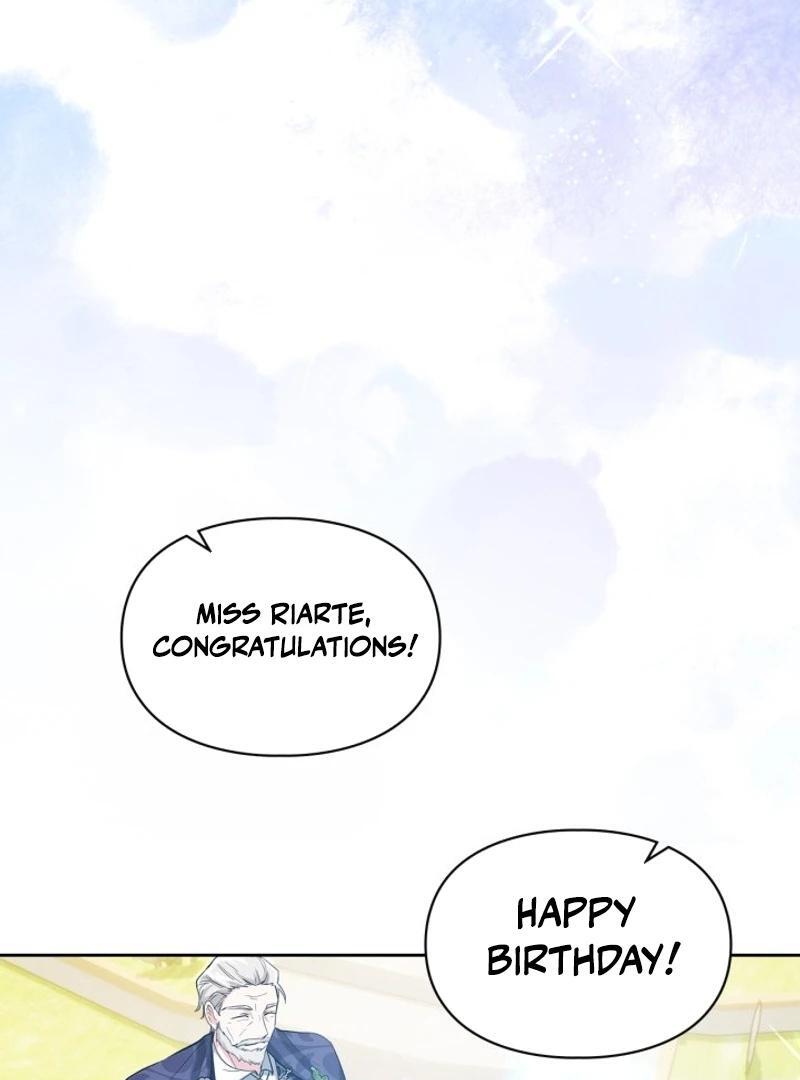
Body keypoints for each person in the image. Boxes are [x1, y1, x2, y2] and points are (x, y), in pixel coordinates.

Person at [127, 956, 346, 1080]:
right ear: (212, 1015)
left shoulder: (318, 1053)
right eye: (243, 1015)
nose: (261, 1031)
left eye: (269, 1012)